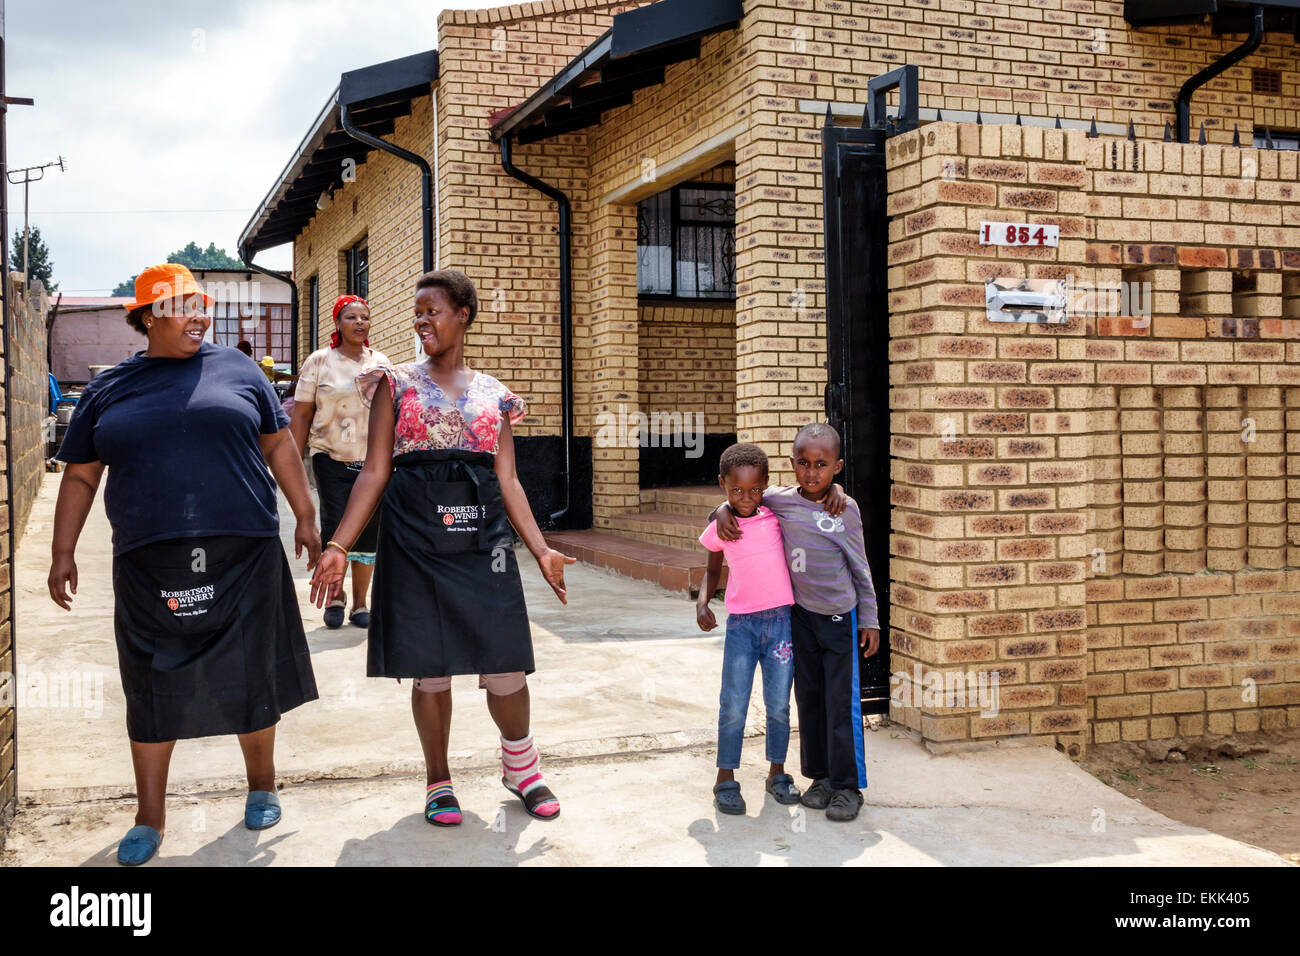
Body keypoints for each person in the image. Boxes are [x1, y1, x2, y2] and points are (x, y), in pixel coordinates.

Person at [48, 263, 321, 865]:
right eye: (181, 306)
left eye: (203, 305)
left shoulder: (238, 369)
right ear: (147, 317)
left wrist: (304, 513)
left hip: (244, 547)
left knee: (253, 672)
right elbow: (83, 474)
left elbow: (277, 442)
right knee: (152, 683)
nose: (199, 316)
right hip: (151, 558)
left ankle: (262, 786)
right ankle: (149, 817)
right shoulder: (109, 388)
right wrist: (62, 550)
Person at [309, 268, 575, 827]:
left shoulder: (495, 394)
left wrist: (541, 550)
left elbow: (509, 480)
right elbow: (375, 470)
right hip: (414, 537)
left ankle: (521, 768)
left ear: (463, 314)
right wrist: (339, 542)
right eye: (418, 311)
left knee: (506, 664)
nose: (421, 319)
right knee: (430, 667)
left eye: (432, 309)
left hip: (482, 540)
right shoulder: (393, 382)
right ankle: (438, 780)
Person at [712, 423, 878, 822]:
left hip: (839, 619)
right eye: (803, 463)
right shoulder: (779, 500)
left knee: (841, 704)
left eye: (821, 465)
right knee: (809, 700)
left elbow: (860, 566)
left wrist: (869, 618)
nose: (811, 473)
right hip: (800, 618)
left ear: (837, 467)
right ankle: (819, 778)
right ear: (792, 464)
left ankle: (847, 786)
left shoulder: (844, 508)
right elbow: (741, 496)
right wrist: (718, 510)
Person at [696, 443, 801, 815]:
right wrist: (703, 601)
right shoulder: (722, 526)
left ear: (766, 485)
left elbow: (804, 498)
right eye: (735, 491)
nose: (745, 497)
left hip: (780, 625)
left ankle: (777, 773)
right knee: (734, 705)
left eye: (754, 490)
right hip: (741, 626)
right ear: (722, 484)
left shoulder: (776, 516)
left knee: (778, 705)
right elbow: (712, 571)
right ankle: (725, 778)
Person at [289, 295, 390, 628]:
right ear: (337, 323)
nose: (359, 322)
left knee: (369, 528)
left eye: (364, 317)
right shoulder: (320, 361)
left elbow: (392, 413)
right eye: (351, 317)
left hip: (372, 461)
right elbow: (302, 415)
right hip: (330, 457)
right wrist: (291, 458)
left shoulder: (380, 363)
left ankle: (361, 601)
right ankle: (336, 594)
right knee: (336, 522)